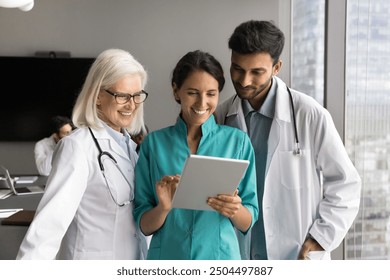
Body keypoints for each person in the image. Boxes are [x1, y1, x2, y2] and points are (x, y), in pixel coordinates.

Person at [215, 20, 361, 260]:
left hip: (293, 254)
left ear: (276, 67)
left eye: (256, 72)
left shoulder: (309, 114)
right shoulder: (221, 116)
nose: (244, 80)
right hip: (237, 253)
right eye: (237, 69)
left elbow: (346, 183)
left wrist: (320, 239)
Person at [17, 48, 149, 260]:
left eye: (136, 96)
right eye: (122, 96)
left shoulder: (130, 148)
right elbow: (48, 226)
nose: (131, 105)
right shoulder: (77, 147)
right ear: (97, 96)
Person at [134, 50, 258, 260]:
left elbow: (248, 219)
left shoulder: (238, 142)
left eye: (211, 94)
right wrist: (163, 207)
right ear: (176, 91)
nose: (202, 103)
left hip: (220, 259)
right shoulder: (154, 144)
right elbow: (144, 225)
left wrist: (234, 208)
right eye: (192, 92)